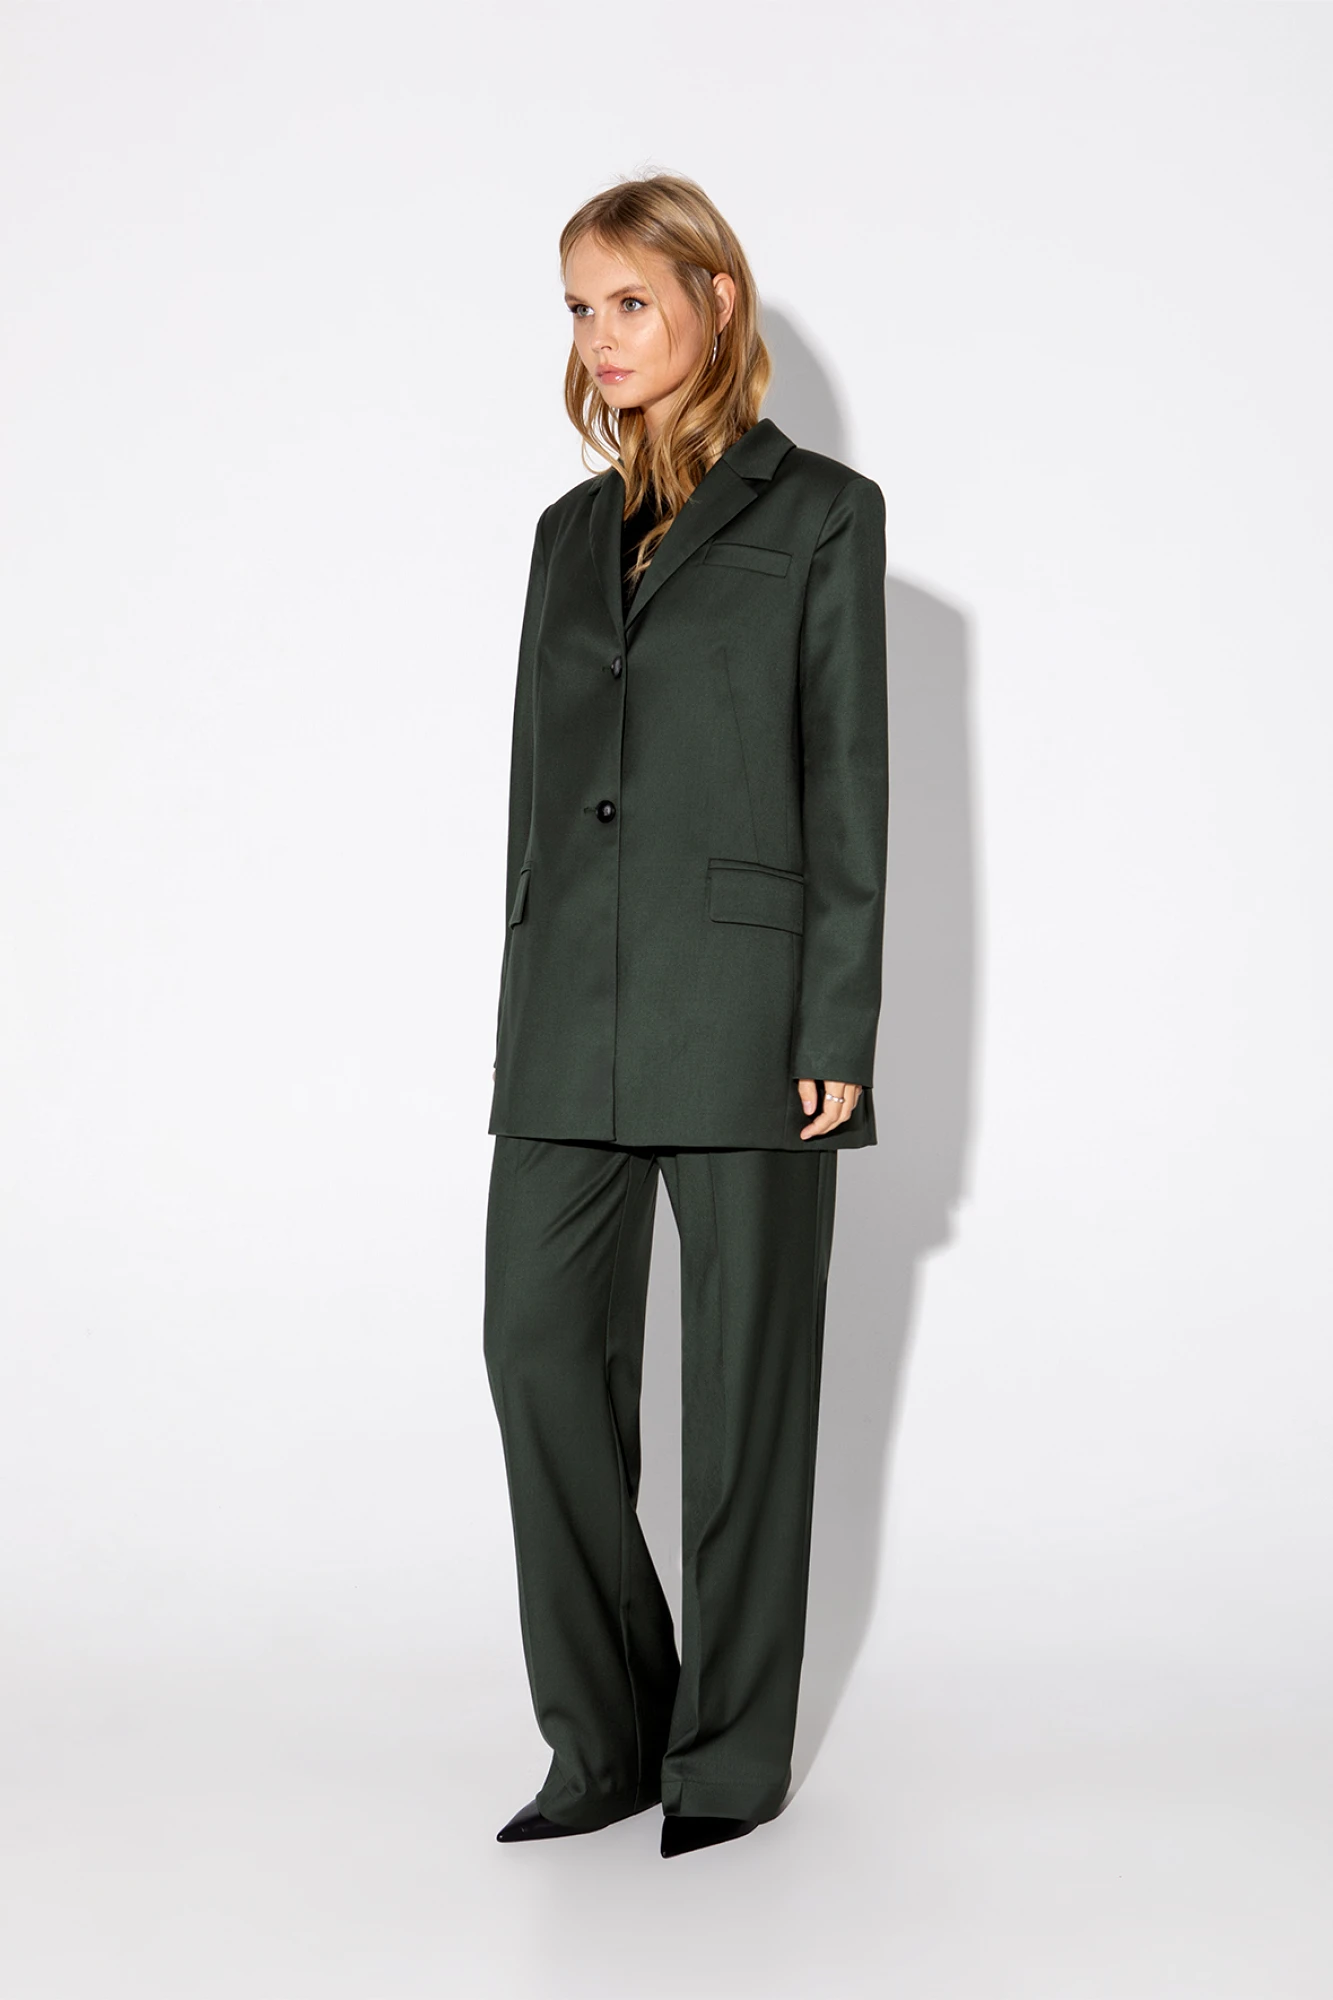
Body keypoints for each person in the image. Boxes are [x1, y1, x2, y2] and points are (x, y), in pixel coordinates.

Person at [483, 172, 888, 1859]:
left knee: (743, 1403)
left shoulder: (825, 515)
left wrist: (837, 1025)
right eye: (580, 308)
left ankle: (726, 1760)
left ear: (716, 301)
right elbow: (539, 794)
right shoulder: (564, 536)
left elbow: (847, 781)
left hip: (748, 1014)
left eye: (629, 301)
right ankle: (608, 1735)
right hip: (569, 1014)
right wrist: (522, 999)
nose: (600, 336)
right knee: (535, 1353)